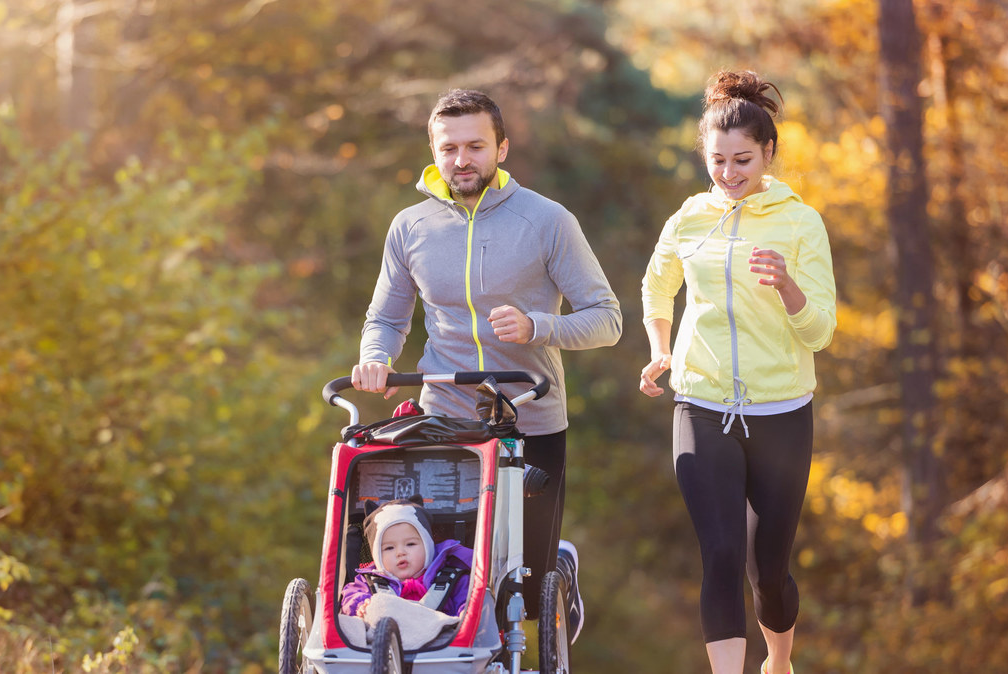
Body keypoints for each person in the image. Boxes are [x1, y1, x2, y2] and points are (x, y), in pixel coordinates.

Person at [351, 88, 622, 641]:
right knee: (436, 572)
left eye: (475, 146)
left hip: (529, 416)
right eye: (449, 147)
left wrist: (537, 326)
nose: (461, 160)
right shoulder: (411, 227)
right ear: (433, 149)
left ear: (502, 148)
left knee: (524, 591)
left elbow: (607, 319)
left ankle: (558, 568)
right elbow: (385, 318)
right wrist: (374, 359)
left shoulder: (547, 221)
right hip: (442, 418)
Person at [639, 70, 837, 674]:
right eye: (718, 161)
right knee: (721, 552)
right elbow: (656, 288)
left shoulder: (800, 223)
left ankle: (779, 662)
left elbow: (821, 332)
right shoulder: (689, 218)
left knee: (767, 569)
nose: (729, 174)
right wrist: (660, 348)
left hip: (781, 413)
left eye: (743, 160)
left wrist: (788, 288)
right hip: (701, 402)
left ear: (769, 153)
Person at [340, 497, 473, 618]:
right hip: (385, 639)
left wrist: (465, 613)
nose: (400, 553)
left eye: (410, 544)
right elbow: (350, 595)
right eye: (389, 548)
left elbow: (467, 602)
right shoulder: (367, 582)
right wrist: (361, 605)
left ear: (428, 547)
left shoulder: (453, 580)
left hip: (443, 639)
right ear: (378, 556)